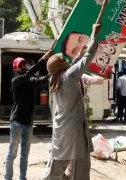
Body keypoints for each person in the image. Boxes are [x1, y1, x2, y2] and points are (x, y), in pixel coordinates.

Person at [42, 23, 101, 180]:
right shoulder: (68, 78)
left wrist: (78, 56)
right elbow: (88, 59)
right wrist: (94, 34)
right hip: (73, 130)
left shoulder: (55, 79)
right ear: (62, 66)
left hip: (63, 130)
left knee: (59, 167)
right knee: (70, 167)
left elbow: (72, 69)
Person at [5, 50, 52, 180]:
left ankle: (22, 178)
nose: (24, 67)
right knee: (12, 153)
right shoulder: (16, 80)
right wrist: (44, 58)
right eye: (21, 65)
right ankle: (8, 178)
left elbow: (39, 81)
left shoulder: (29, 79)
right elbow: (30, 74)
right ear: (15, 69)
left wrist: (51, 74)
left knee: (24, 154)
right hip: (17, 122)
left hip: (28, 122)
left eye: (25, 64)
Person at [61, 30, 126, 76]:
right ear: (73, 58)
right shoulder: (94, 73)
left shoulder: (116, 40)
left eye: (80, 40)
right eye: (75, 51)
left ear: (86, 35)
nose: (82, 46)